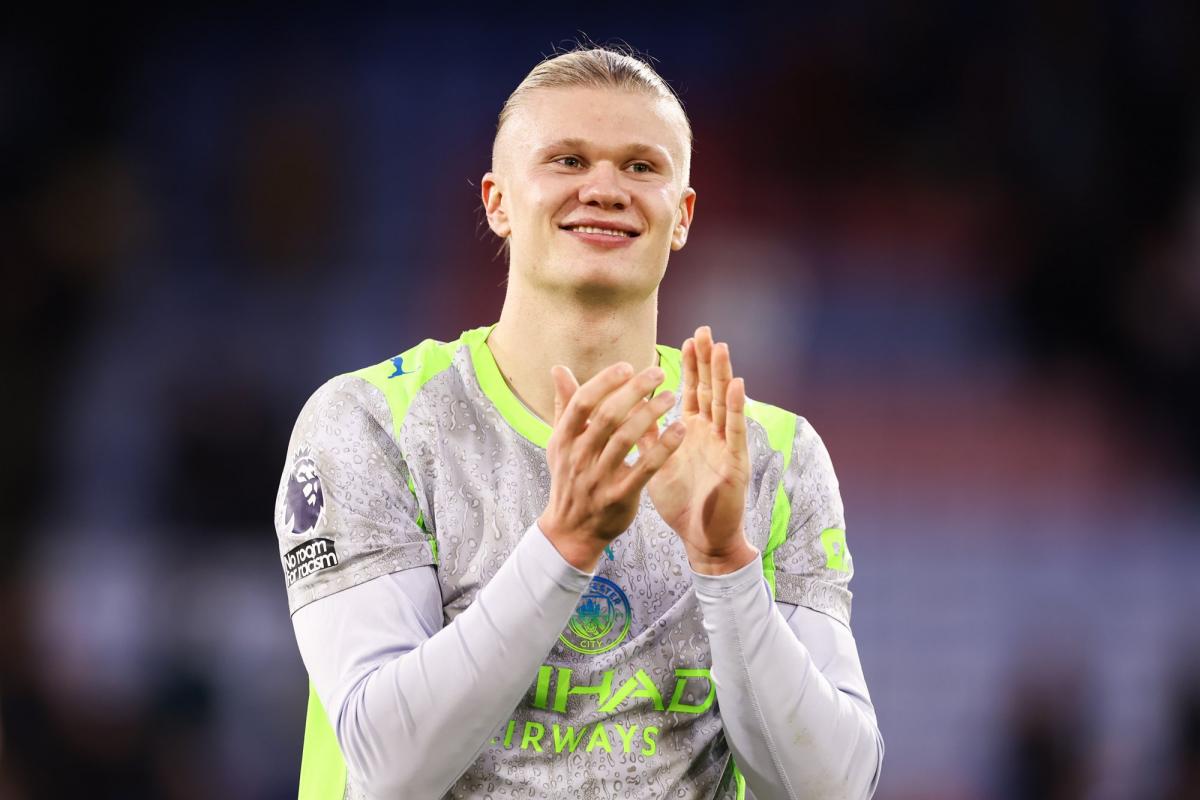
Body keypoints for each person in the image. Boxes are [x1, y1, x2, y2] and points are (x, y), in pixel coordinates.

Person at [275, 45, 884, 800]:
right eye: (567, 161)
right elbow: (388, 765)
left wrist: (726, 563)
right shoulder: (372, 424)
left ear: (682, 216)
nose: (604, 188)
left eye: (641, 167)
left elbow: (831, 787)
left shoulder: (769, 456)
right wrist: (564, 544)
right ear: (497, 202)